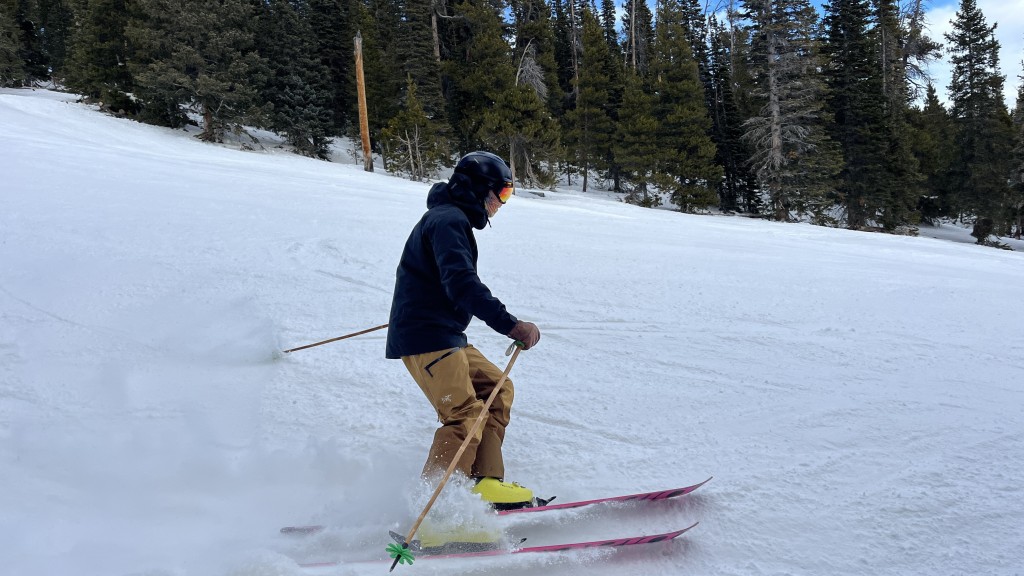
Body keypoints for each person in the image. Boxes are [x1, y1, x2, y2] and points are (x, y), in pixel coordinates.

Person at [385, 151, 541, 511]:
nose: (501, 205)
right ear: (478, 189)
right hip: (428, 337)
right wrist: (511, 324)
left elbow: (441, 281)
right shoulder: (447, 221)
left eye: (507, 197)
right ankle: (439, 508)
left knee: (496, 390)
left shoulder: (449, 220)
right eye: (500, 195)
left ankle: (484, 482)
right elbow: (462, 284)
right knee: (464, 415)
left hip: (443, 332)